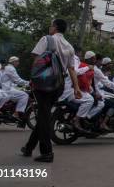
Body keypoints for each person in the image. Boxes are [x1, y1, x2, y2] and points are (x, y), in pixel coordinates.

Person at [23, 19, 81, 162]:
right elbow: (71, 69)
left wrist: (33, 79)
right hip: (58, 85)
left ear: (54, 27)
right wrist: (76, 88)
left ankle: (47, 152)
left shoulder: (47, 39)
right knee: (44, 114)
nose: (50, 27)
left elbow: (36, 59)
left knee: (44, 116)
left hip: (44, 83)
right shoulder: (69, 47)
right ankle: (29, 147)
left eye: (51, 25)